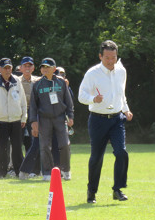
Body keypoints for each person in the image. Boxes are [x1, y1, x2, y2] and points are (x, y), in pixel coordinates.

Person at [78, 40, 133, 203]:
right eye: (107, 57)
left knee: (121, 153)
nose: (110, 61)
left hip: (117, 119)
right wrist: (93, 99)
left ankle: (118, 189)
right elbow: (81, 96)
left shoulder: (121, 71)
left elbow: (121, 94)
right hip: (98, 120)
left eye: (113, 57)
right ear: (100, 56)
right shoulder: (92, 73)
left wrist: (126, 109)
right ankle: (91, 192)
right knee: (96, 157)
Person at [27, 58, 74, 182]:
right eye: (43, 67)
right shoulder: (37, 84)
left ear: (54, 68)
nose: (45, 69)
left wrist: (70, 116)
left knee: (64, 144)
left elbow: (68, 102)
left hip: (60, 118)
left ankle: (65, 170)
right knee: (45, 146)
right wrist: (33, 122)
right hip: (44, 119)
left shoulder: (61, 82)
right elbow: (33, 105)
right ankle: (47, 172)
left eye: (48, 67)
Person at [0, 58, 27, 178]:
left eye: (9, 67)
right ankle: (0, 173)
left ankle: (19, 172)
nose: (7, 70)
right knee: (2, 148)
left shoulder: (17, 81)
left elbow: (23, 101)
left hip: (16, 120)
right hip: (1, 121)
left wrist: (24, 117)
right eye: (4, 68)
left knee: (17, 148)